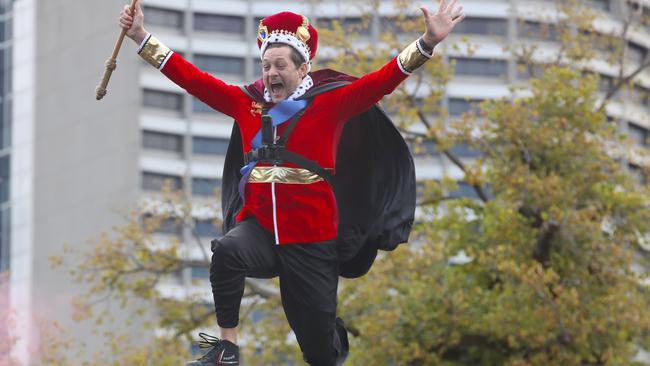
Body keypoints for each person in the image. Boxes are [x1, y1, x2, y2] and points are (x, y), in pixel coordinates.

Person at [119, 1, 464, 365]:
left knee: (319, 353)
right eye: (266, 66)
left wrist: (427, 42)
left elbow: (383, 80)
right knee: (226, 250)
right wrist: (142, 36)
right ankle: (226, 349)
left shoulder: (331, 103)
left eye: (280, 65)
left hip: (311, 242)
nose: (271, 74)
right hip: (261, 231)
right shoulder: (247, 103)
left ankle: (330, 334)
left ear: (303, 68)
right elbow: (192, 79)